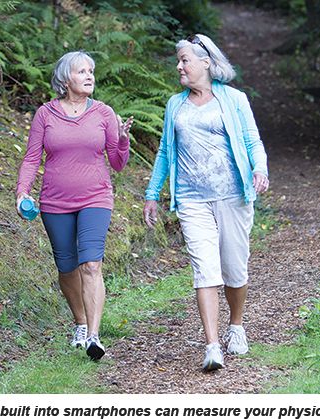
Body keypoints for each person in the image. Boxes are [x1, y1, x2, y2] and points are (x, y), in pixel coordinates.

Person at [143, 34, 269, 371]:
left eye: (185, 60)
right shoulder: (175, 104)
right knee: (205, 270)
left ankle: (236, 326)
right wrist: (153, 193)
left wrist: (260, 169)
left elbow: (252, 140)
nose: (179, 66)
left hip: (232, 196)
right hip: (192, 200)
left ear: (206, 63)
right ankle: (212, 346)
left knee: (234, 269)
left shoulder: (235, 99)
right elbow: (166, 152)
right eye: (179, 61)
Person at [16, 51, 134, 361]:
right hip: (55, 201)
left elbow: (118, 163)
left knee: (91, 264)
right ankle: (80, 323)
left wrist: (122, 140)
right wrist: (22, 191)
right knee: (67, 268)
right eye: (82, 71)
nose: (89, 76)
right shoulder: (45, 114)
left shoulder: (104, 114)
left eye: (91, 71)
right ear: (66, 79)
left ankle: (94, 337)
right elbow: (31, 158)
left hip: (96, 197)